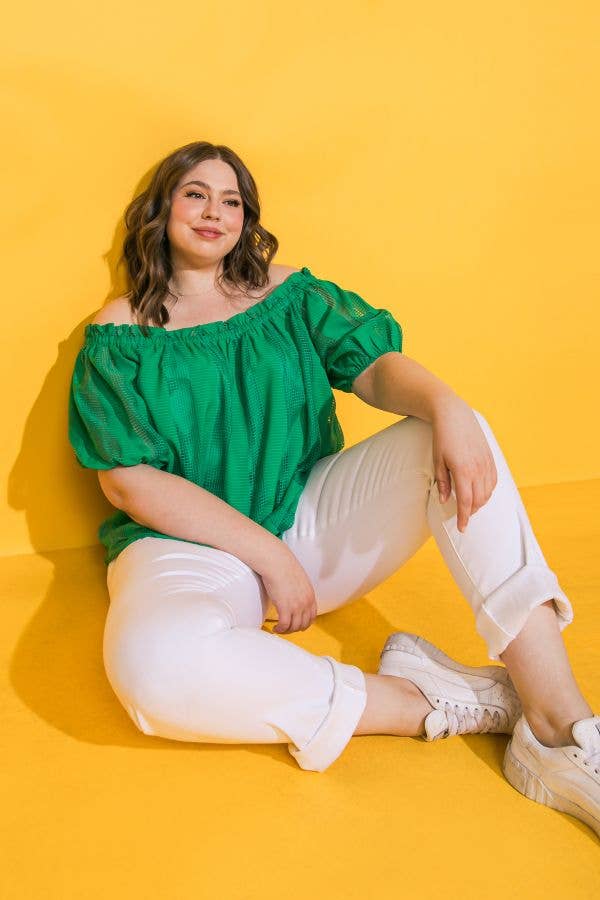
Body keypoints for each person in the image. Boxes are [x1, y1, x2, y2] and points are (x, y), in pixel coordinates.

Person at [68, 140, 599, 839]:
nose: (214, 212)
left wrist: (449, 406)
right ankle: (433, 700)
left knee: (455, 429)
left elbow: (376, 371)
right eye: (195, 193)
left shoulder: (290, 296)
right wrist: (270, 557)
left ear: (247, 219)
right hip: (186, 548)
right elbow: (131, 484)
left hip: (309, 519)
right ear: (161, 207)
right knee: (152, 669)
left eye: (232, 201)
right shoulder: (118, 335)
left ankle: (562, 730)